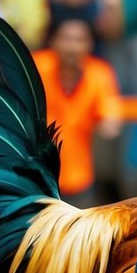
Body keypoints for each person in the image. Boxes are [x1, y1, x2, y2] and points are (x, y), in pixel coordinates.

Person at [32, 15, 122, 206]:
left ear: (90, 44)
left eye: (79, 40)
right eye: (66, 39)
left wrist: (111, 121)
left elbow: (111, 111)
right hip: (36, 176)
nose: (72, 47)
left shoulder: (100, 72)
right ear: (52, 41)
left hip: (79, 179)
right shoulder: (36, 66)